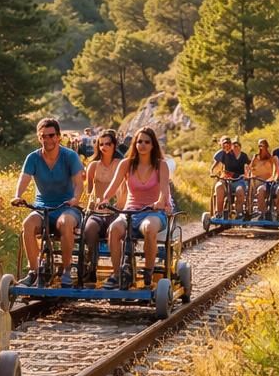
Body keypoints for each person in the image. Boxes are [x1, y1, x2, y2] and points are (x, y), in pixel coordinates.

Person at [11, 117, 85, 287]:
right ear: (39, 138)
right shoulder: (33, 158)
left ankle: (67, 270)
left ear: (58, 137)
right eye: (43, 136)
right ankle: (35, 271)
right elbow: (24, 178)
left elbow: (79, 184)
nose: (48, 139)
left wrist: (75, 199)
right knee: (28, 224)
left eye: (51, 135)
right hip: (42, 207)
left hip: (66, 207)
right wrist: (17, 195)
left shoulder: (69, 156)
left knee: (65, 223)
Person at [100, 126, 171, 288]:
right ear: (134, 144)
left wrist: (160, 202)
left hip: (153, 211)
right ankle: (117, 273)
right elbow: (113, 186)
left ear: (153, 145)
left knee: (148, 228)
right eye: (139, 141)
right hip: (130, 211)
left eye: (147, 142)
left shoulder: (161, 165)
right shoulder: (126, 164)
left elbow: (164, 189)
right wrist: (104, 199)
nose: (143, 145)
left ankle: (148, 271)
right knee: (114, 229)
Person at [79, 129, 124, 283]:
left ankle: (118, 269)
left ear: (114, 145)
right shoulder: (93, 166)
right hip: (98, 211)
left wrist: (119, 206)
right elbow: (89, 191)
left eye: (108, 144)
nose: (104, 147)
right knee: (89, 229)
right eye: (101, 144)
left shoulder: (121, 165)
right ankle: (91, 266)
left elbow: (125, 190)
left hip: (116, 210)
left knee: (117, 231)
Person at [210, 135, 249, 217]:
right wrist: (211, 171)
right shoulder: (221, 154)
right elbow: (216, 163)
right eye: (224, 144)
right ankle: (219, 213)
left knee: (240, 190)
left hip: (238, 180)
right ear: (222, 145)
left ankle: (239, 213)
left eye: (228, 144)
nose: (226, 146)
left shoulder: (238, 153)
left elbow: (248, 165)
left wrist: (247, 174)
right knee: (219, 187)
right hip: (226, 180)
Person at [250, 138, 279, 217]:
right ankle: (261, 212)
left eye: (263, 145)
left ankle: (265, 212)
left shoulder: (272, 158)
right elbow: (251, 169)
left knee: (260, 190)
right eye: (259, 145)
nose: (261, 147)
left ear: (266, 146)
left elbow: (276, 171)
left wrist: (273, 178)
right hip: (257, 180)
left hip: (268, 181)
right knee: (252, 187)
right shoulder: (256, 157)